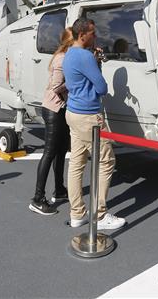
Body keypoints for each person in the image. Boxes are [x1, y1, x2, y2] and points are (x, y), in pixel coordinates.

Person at [64, 18, 125, 231]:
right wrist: (95, 63)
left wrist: (94, 61)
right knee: (106, 161)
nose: (95, 36)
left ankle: (77, 213)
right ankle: (100, 215)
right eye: (92, 33)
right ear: (83, 35)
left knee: (76, 163)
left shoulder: (70, 53)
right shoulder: (85, 56)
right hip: (89, 117)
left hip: (73, 112)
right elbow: (101, 88)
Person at [29, 29, 73, 216]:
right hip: (53, 109)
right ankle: (37, 198)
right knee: (49, 152)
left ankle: (60, 189)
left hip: (60, 108)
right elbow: (56, 87)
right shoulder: (61, 59)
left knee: (61, 151)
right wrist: (75, 80)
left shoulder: (65, 57)